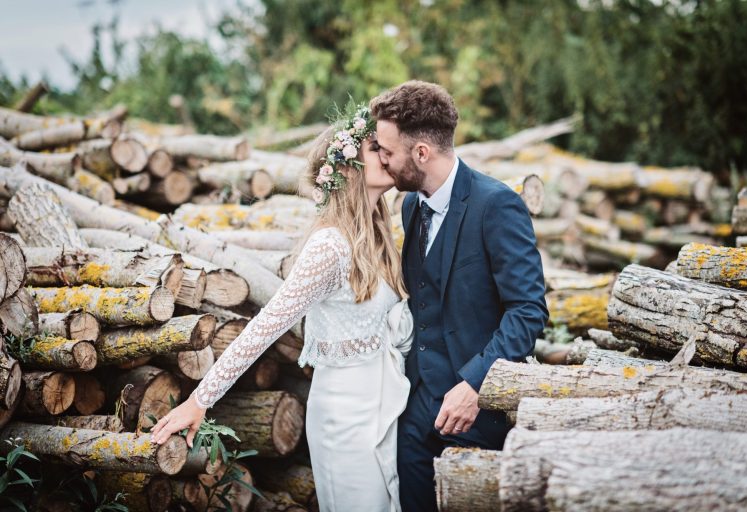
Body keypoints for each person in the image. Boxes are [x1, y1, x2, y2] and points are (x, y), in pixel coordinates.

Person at [149, 104, 414, 512]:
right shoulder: (328, 247)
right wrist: (199, 399)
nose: (388, 154)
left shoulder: (380, 238)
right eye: (376, 147)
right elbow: (264, 328)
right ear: (346, 169)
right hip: (345, 417)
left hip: (387, 403)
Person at [370, 80, 549, 512]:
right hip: (416, 415)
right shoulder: (411, 206)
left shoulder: (498, 204)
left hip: (479, 415)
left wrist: (474, 385)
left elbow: (528, 311)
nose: (381, 160)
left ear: (421, 154)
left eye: (387, 151)